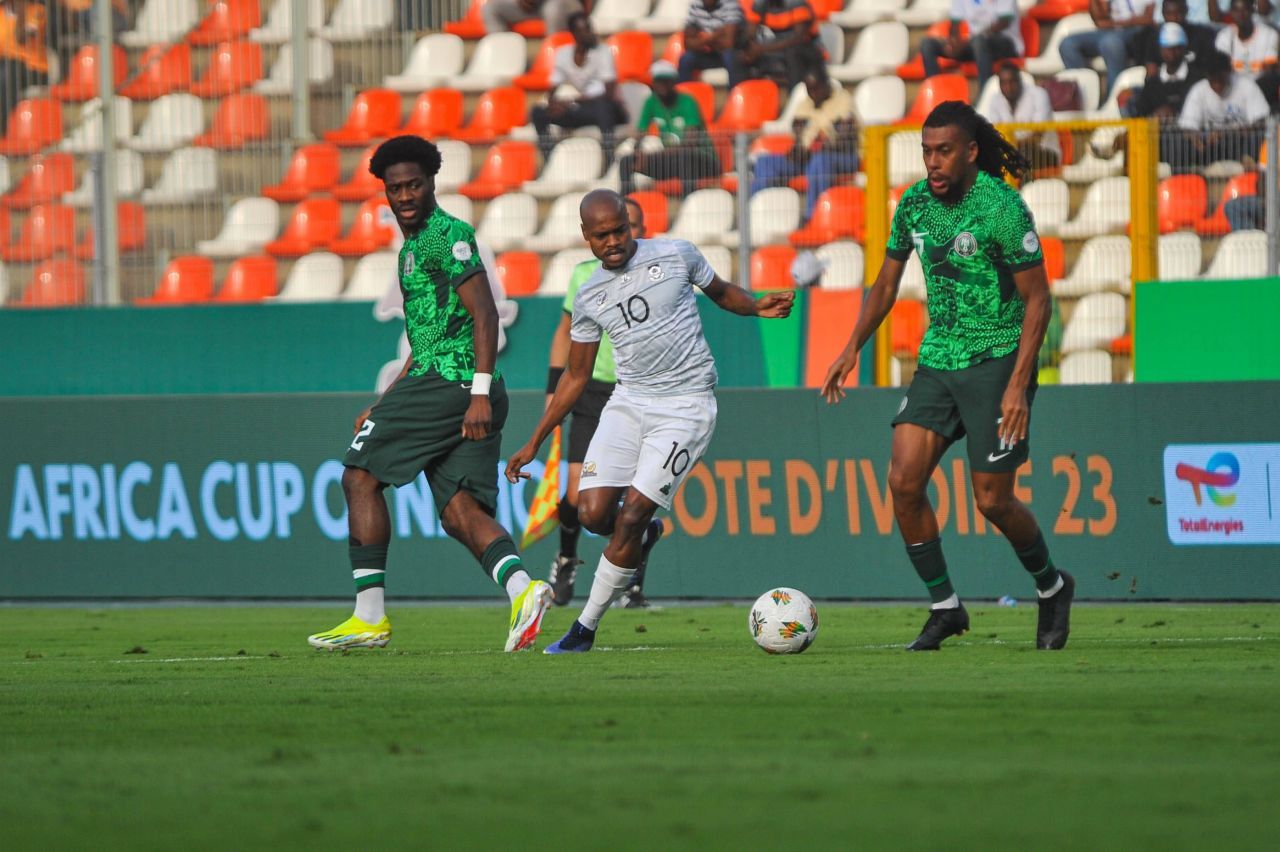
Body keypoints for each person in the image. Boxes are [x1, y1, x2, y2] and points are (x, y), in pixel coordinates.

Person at [820, 101, 1074, 652]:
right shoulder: (912, 203)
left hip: (998, 358)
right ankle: (945, 607)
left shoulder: (1003, 209)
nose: (932, 163)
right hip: (938, 357)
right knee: (903, 481)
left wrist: (1017, 386)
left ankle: (1052, 587)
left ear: (970, 152)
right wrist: (851, 348)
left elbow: (1039, 302)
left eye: (944, 151)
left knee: (992, 502)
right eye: (926, 152)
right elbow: (886, 284)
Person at [506, 189, 795, 653]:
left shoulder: (677, 254)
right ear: (586, 237)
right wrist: (536, 439)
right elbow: (577, 374)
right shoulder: (588, 296)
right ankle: (645, 535)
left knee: (634, 513)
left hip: (686, 406)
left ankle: (584, 629)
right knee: (593, 514)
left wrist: (756, 305)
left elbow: (721, 292)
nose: (614, 241)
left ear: (630, 223)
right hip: (629, 402)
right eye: (602, 235)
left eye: (620, 229)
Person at [308, 136, 553, 653]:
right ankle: (524, 591)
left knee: (358, 475)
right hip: (445, 380)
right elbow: (423, 345)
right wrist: (386, 398)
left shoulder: (448, 236)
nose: (404, 195)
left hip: (456, 384)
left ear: (432, 183)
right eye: (394, 187)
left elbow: (485, 314)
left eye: (413, 184)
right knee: (458, 512)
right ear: (385, 192)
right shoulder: (410, 254)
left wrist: (479, 394)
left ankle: (369, 616)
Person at [545, 197, 659, 609]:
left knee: (633, 496)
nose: (617, 236)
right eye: (606, 230)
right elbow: (564, 333)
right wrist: (551, 389)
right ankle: (566, 558)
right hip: (591, 389)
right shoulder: (584, 276)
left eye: (628, 226)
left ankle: (631, 580)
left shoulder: (656, 270)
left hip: (639, 390)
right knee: (577, 495)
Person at [749, 64, 859, 222]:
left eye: (816, 88)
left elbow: (844, 138)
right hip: (808, 157)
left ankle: (812, 219)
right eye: (809, 89)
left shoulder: (843, 100)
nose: (813, 93)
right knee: (765, 162)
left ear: (826, 84)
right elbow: (798, 133)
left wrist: (816, 146)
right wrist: (798, 151)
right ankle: (755, 217)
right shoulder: (805, 105)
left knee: (819, 162)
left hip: (842, 156)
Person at [530, 11, 626, 161]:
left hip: (609, 109)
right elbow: (552, 89)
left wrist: (571, 101)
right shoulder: (563, 54)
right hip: (582, 109)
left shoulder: (603, 52)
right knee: (538, 112)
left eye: (590, 28)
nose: (591, 33)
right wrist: (555, 104)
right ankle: (549, 158)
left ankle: (609, 159)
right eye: (585, 29)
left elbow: (608, 93)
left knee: (603, 107)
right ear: (574, 33)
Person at [618, 60, 723, 195]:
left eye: (666, 81)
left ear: (673, 82)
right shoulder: (651, 102)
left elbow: (689, 143)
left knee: (685, 157)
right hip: (672, 160)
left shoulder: (687, 102)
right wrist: (637, 152)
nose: (662, 85)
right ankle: (628, 202)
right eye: (658, 81)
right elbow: (640, 131)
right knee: (626, 161)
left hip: (703, 160)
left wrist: (654, 155)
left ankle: (689, 201)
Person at [1173, 48, 1268, 170]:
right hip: (1212, 146)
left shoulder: (1246, 86)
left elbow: (1260, 121)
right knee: (1181, 143)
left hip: (1240, 142)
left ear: (1229, 72)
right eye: (1213, 80)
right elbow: (1187, 127)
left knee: (1257, 139)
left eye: (1221, 79)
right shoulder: (1199, 90)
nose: (1217, 84)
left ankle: (1250, 168)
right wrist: (1197, 139)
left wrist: (1228, 134)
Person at [921, 0, 1024, 91]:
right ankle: (936, 92)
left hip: (1007, 43)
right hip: (976, 44)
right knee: (928, 44)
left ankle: (984, 97)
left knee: (979, 42)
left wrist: (969, 41)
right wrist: (953, 42)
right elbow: (954, 25)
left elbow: (1004, 22)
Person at [1061, 0, 1156, 97]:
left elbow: (1149, 19)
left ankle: (1113, 97)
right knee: (1068, 44)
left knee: (1110, 43)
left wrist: (1120, 23)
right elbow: (1100, 21)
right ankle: (1084, 97)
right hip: (1111, 30)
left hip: (1139, 31)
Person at [980, 62, 1060, 168]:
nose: (1008, 87)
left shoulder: (1039, 95)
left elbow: (1037, 136)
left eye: (1012, 82)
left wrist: (1009, 145)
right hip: (1011, 152)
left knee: (1022, 156)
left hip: (1045, 152)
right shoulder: (996, 100)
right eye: (1003, 83)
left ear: (1020, 80)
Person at [742, 0, 825, 89]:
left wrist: (762, 49)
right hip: (776, 49)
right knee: (743, 55)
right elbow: (750, 34)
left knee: (793, 53)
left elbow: (799, 38)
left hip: (808, 51)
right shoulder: (759, 4)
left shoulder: (797, 3)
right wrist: (751, 48)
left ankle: (794, 97)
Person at [1130, 22, 1206, 118]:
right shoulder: (1153, 82)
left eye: (1176, 48)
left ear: (1184, 49)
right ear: (1161, 50)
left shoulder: (1196, 78)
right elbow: (1141, 113)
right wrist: (1155, 115)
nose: (1172, 53)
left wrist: (1174, 111)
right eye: (1167, 48)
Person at [1214, 0, 1280, 106]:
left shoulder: (1269, 35)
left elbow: (1269, 72)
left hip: (1261, 89)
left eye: (1245, 10)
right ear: (1231, 12)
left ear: (1252, 10)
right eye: (1236, 10)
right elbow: (1221, 69)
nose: (1241, 15)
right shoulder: (1224, 36)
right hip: (1232, 88)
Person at [0, 0, 49, 135]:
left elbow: (21, 37)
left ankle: (2, 123)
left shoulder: (37, 11)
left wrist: (21, 8)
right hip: (5, 65)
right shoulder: (1, 13)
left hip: (33, 69)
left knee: (10, 71)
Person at [678, 0, 749, 88]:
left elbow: (728, 44)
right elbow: (688, 44)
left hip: (730, 54)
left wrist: (703, 38)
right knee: (686, 59)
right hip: (708, 54)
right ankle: (683, 96)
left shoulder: (731, 4)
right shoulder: (696, 5)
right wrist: (716, 35)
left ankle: (734, 96)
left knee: (730, 56)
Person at [1138, 0, 1217, 77]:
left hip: (1193, 84)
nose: (1174, 18)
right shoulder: (1155, 37)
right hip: (1164, 85)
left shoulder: (1201, 35)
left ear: (1186, 11)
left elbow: (1207, 70)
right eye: (1169, 14)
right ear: (1162, 14)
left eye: (1179, 13)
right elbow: (1151, 71)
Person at [482, 0, 586, 34]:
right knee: (491, 8)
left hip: (560, 4)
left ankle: (554, 59)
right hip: (533, 7)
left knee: (553, 10)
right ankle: (502, 58)